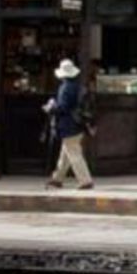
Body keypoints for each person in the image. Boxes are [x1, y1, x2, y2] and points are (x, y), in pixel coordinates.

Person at [45, 58, 95, 191]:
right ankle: (57, 178)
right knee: (66, 153)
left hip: (68, 125)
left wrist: (51, 108)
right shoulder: (78, 86)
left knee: (73, 153)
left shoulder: (65, 88)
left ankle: (85, 180)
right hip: (77, 124)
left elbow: (63, 107)